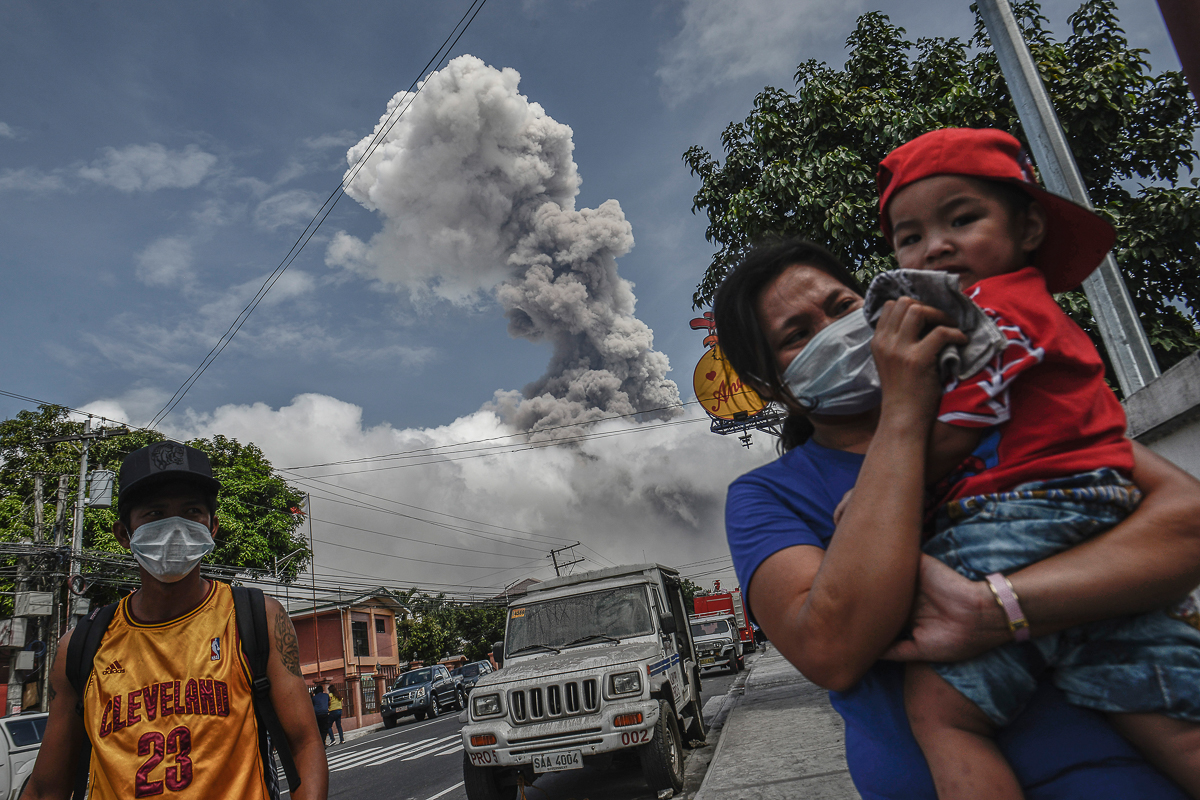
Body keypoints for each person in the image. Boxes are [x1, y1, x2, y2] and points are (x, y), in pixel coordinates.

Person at [713, 237, 1200, 798]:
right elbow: (831, 648)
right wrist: (904, 409)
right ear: (766, 386)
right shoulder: (769, 496)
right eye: (797, 335)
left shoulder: (1004, 402)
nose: (833, 333)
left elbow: (1184, 523)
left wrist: (997, 611)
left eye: (843, 307)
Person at [871, 127, 1200, 798]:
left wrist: (890, 483)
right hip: (1102, 525)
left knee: (942, 717)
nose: (936, 245)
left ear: (1028, 228)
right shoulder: (1037, 305)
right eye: (910, 237)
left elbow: (972, 413)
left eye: (962, 219)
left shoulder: (991, 309)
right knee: (1170, 719)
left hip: (1023, 515)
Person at [22, 440, 329, 800]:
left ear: (212, 527)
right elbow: (46, 787)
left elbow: (304, 744)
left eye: (192, 511)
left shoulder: (256, 618)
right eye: (154, 514)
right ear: (125, 534)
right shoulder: (81, 646)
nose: (175, 527)